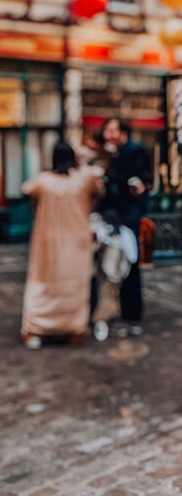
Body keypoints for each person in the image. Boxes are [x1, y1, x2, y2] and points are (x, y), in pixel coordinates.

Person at [21, 142, 103, 349]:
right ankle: (74, 329)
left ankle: (35, 330)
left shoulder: (43, 181)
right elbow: (99, 186)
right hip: (77, 242)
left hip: (47, 242)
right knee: (76, 284)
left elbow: (26, 189)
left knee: (43, 283)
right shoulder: (84, 179)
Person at [99, 116, 151, 334]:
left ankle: (132, 316)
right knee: (119, 264)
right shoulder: (115, 153)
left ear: (122, 132)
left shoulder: (132, 152)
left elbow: (138, 182)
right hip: (119, 217)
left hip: (129, 218)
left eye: (112, 129)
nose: (107, 134)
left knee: (129, 264)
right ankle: (125, 313)